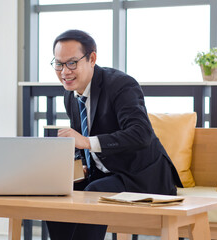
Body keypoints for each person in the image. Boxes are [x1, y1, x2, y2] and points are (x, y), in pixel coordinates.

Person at [45, 29, 183, 240]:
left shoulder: (120, 85)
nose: (64, 72)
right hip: (103, 174)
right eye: (59, 64)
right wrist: (82, 162)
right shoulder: (70, 95)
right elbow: (84, 137)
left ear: (92, 58)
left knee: (93, 192)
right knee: (56, 191)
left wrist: (87, 143)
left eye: (72, 63)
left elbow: (140, 134)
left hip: (141, 175)